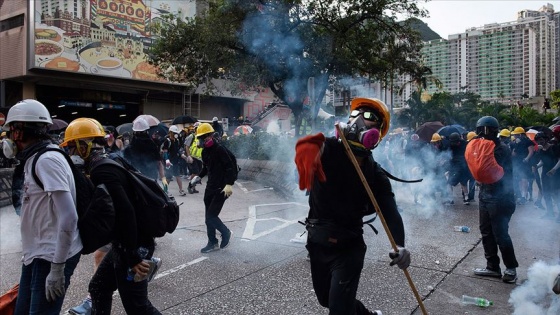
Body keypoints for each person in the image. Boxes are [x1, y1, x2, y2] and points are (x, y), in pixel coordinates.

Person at [294, 97, 410, 315]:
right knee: (327, 300)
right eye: (355, 114)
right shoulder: (327, 149)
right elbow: (310, 149)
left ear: (377, 132)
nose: (357, 119)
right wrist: (307, 152)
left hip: (348, 248)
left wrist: (400, 245)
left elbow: (390, 211)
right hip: (318, 242)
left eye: (368, 117)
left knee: (338, 309)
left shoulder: (375, 174)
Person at [60, 118, 161, 314]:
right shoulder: (110, 160)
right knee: (99, 287)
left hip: (133, 244)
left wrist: (132, 256)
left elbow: (126, 213)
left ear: (84, 144)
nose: (70, 153)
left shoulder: (103, 170)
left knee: (137, 306)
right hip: (124, 243)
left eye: (72, 147)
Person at [3, 99, 82, 314]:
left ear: (20, 131)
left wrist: (57, 268)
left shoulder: (47, 160)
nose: (9, 137)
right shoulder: (33, 157)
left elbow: (69, 216)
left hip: (51, 255)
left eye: (11, 130)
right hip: (36, 254)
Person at [471, 116, 519, 284]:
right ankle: (492, 267)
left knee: (500, 234)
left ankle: (511, 268)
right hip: (485, 195)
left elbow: (493, 171)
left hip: (501, 197)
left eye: (481, 131)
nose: (479, 135)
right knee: (486, 232)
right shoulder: (486, 147)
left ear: (489, 130)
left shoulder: (500, 149)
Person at [191, 122, 234, 253]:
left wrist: (229, 184)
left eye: (204, 137)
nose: (201, 140)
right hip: (210, 187)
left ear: (211, 135)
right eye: (200, 138)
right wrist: (199, 176)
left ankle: (226, 233)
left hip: (222, 188)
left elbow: (230, 167)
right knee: (208, 218)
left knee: (211, 216)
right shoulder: (204, 152)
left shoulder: (220, 149)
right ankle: (212, 243)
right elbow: (206, 167)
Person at [510, 126, 534, 204]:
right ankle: (520, 196)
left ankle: (524, 196)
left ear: (521, 134)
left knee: (524, 179)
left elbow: (531, 151)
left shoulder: (528, 141)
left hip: (525, 163)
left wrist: (527, 158)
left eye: (517, 134)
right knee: (519, 180)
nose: (515, 136)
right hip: (517, 163)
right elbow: (514, 153)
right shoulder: (516, 143)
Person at [446, 132, 471, 205]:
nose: (455, 143)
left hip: (463, 166)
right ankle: (450, 199)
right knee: (449, 183)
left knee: (463, 183)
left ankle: (466, 198)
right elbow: (447, 154)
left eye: (456, 142)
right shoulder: (450, 145)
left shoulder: (464, 144)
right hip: (454, 166)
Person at [162, 125, 186, 196]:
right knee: (168, 177)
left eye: (177, 133)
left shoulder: (177, 140)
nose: (176, 134)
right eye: (175, 133)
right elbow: (165, 151)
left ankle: (181, 190)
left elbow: (178, 150)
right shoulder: (167, 141)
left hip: (175, 161)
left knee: (178, 175)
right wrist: (167, 160)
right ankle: (164, 191)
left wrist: (182, 155)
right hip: (169, 162)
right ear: (171, 133)